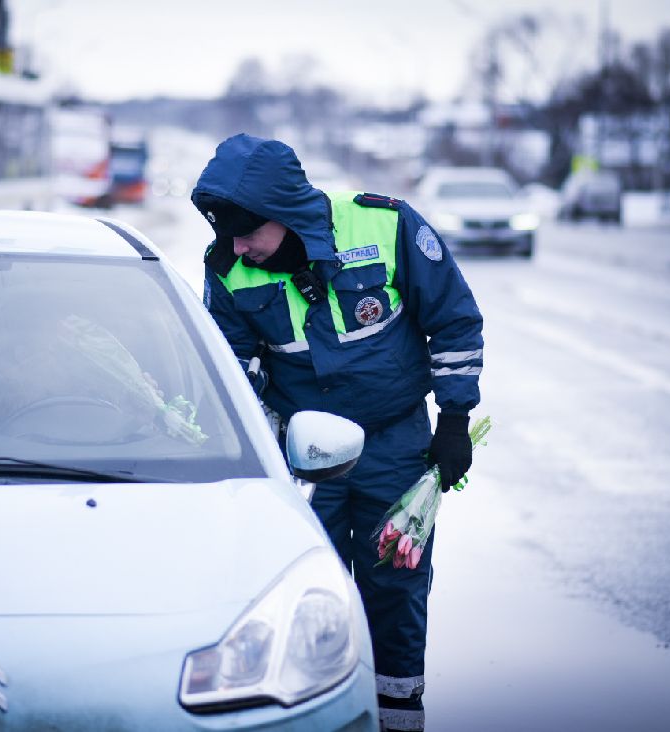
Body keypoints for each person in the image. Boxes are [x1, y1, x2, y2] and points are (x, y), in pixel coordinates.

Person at [191, 134, 483, 732]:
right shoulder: (228, 269)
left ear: (286, 214)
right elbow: (234, 371)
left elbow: (454, 321)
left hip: (394, 443)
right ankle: (313, 715)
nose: (238, 247)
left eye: (248, 232)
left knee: (396, 586)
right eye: (227, 234)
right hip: (299, 459)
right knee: (297, 591)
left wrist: (454, 420)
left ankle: (398, 714)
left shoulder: (386, 226)